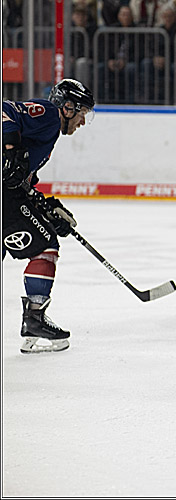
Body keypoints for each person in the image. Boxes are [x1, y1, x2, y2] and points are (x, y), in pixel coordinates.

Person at [2, 80, 95, 353]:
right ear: (67, 108)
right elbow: (3, 109)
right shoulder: (49, 114)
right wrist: (9, 151)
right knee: (45, 246)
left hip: (8, 194)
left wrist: (44, 206)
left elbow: (19, 178)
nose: (81, 123)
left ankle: (34, 320)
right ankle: (34, 319)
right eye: (81, 114)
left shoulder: (47, 135)